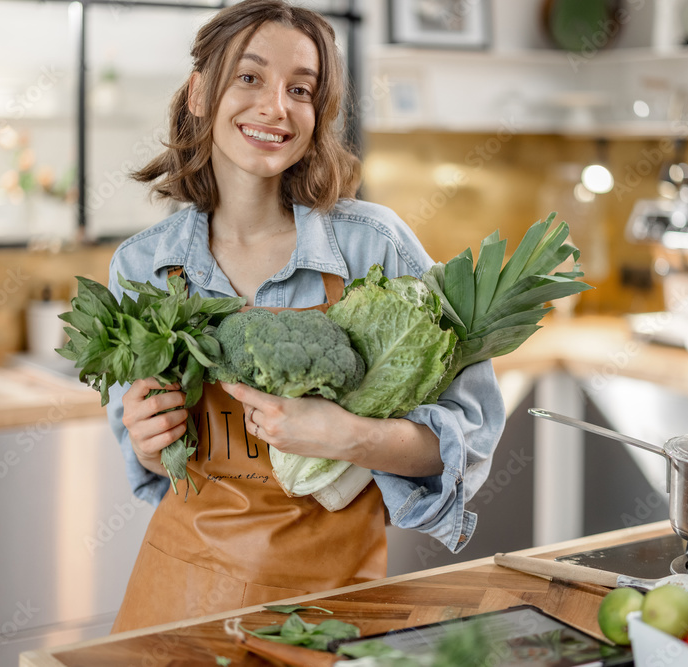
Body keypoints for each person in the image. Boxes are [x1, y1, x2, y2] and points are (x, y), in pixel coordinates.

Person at [105, 0, 505, 633]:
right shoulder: (144, 266)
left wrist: (345, 435)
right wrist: (150, 440)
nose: (276, 107)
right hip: (179, 591)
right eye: (250, 77)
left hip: (329, 605)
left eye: (301, 90)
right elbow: (153, 467)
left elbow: (464, 442)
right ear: (200, 93)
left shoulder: (375, 247)